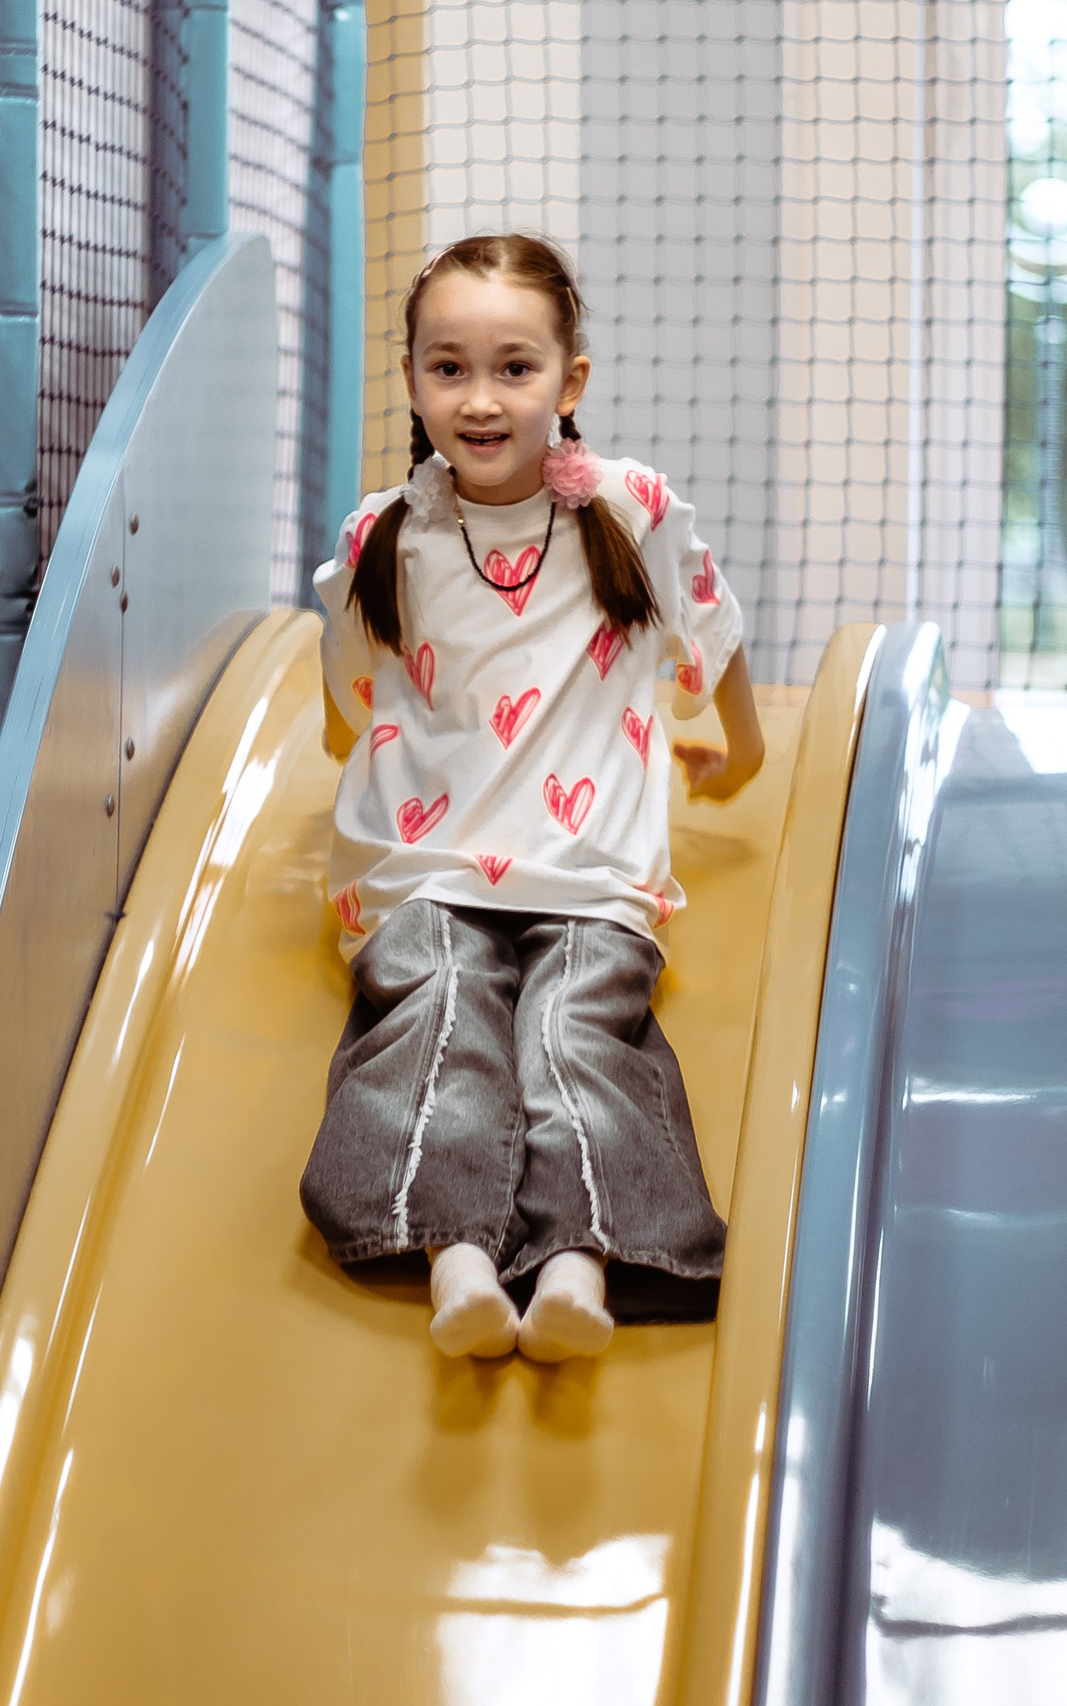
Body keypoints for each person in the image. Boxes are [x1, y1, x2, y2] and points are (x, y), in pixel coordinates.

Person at [302, 233, 766, 1363]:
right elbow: (352, 708)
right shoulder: (386, 535)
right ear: (410, 380)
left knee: (575, 1029)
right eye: (447, 366)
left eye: (514, 366)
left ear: (571, 380)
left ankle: (576, 1262)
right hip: (427, 865)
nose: (479, 396)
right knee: (440, 1010)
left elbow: (714, 629)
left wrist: (738, 755)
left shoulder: (629, 508)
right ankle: (456, 1256)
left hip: (588, 869)